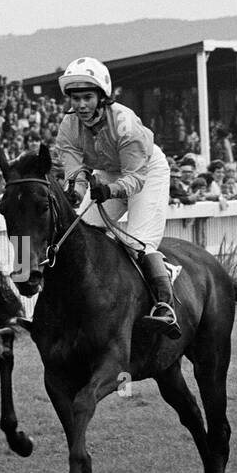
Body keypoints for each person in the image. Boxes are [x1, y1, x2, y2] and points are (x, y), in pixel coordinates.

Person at [55, 56, 180, 338]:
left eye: (87, 97)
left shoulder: (125, 124)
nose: (81, 105)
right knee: (82, 234)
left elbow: (135, 178)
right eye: (75, 98)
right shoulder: (68, 124)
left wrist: (108, 191)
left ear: (102, 97)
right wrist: (75, 192)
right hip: (108, 170)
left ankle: (164, 305)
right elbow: (74, 168)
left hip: (146, 171)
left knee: (139, 243)